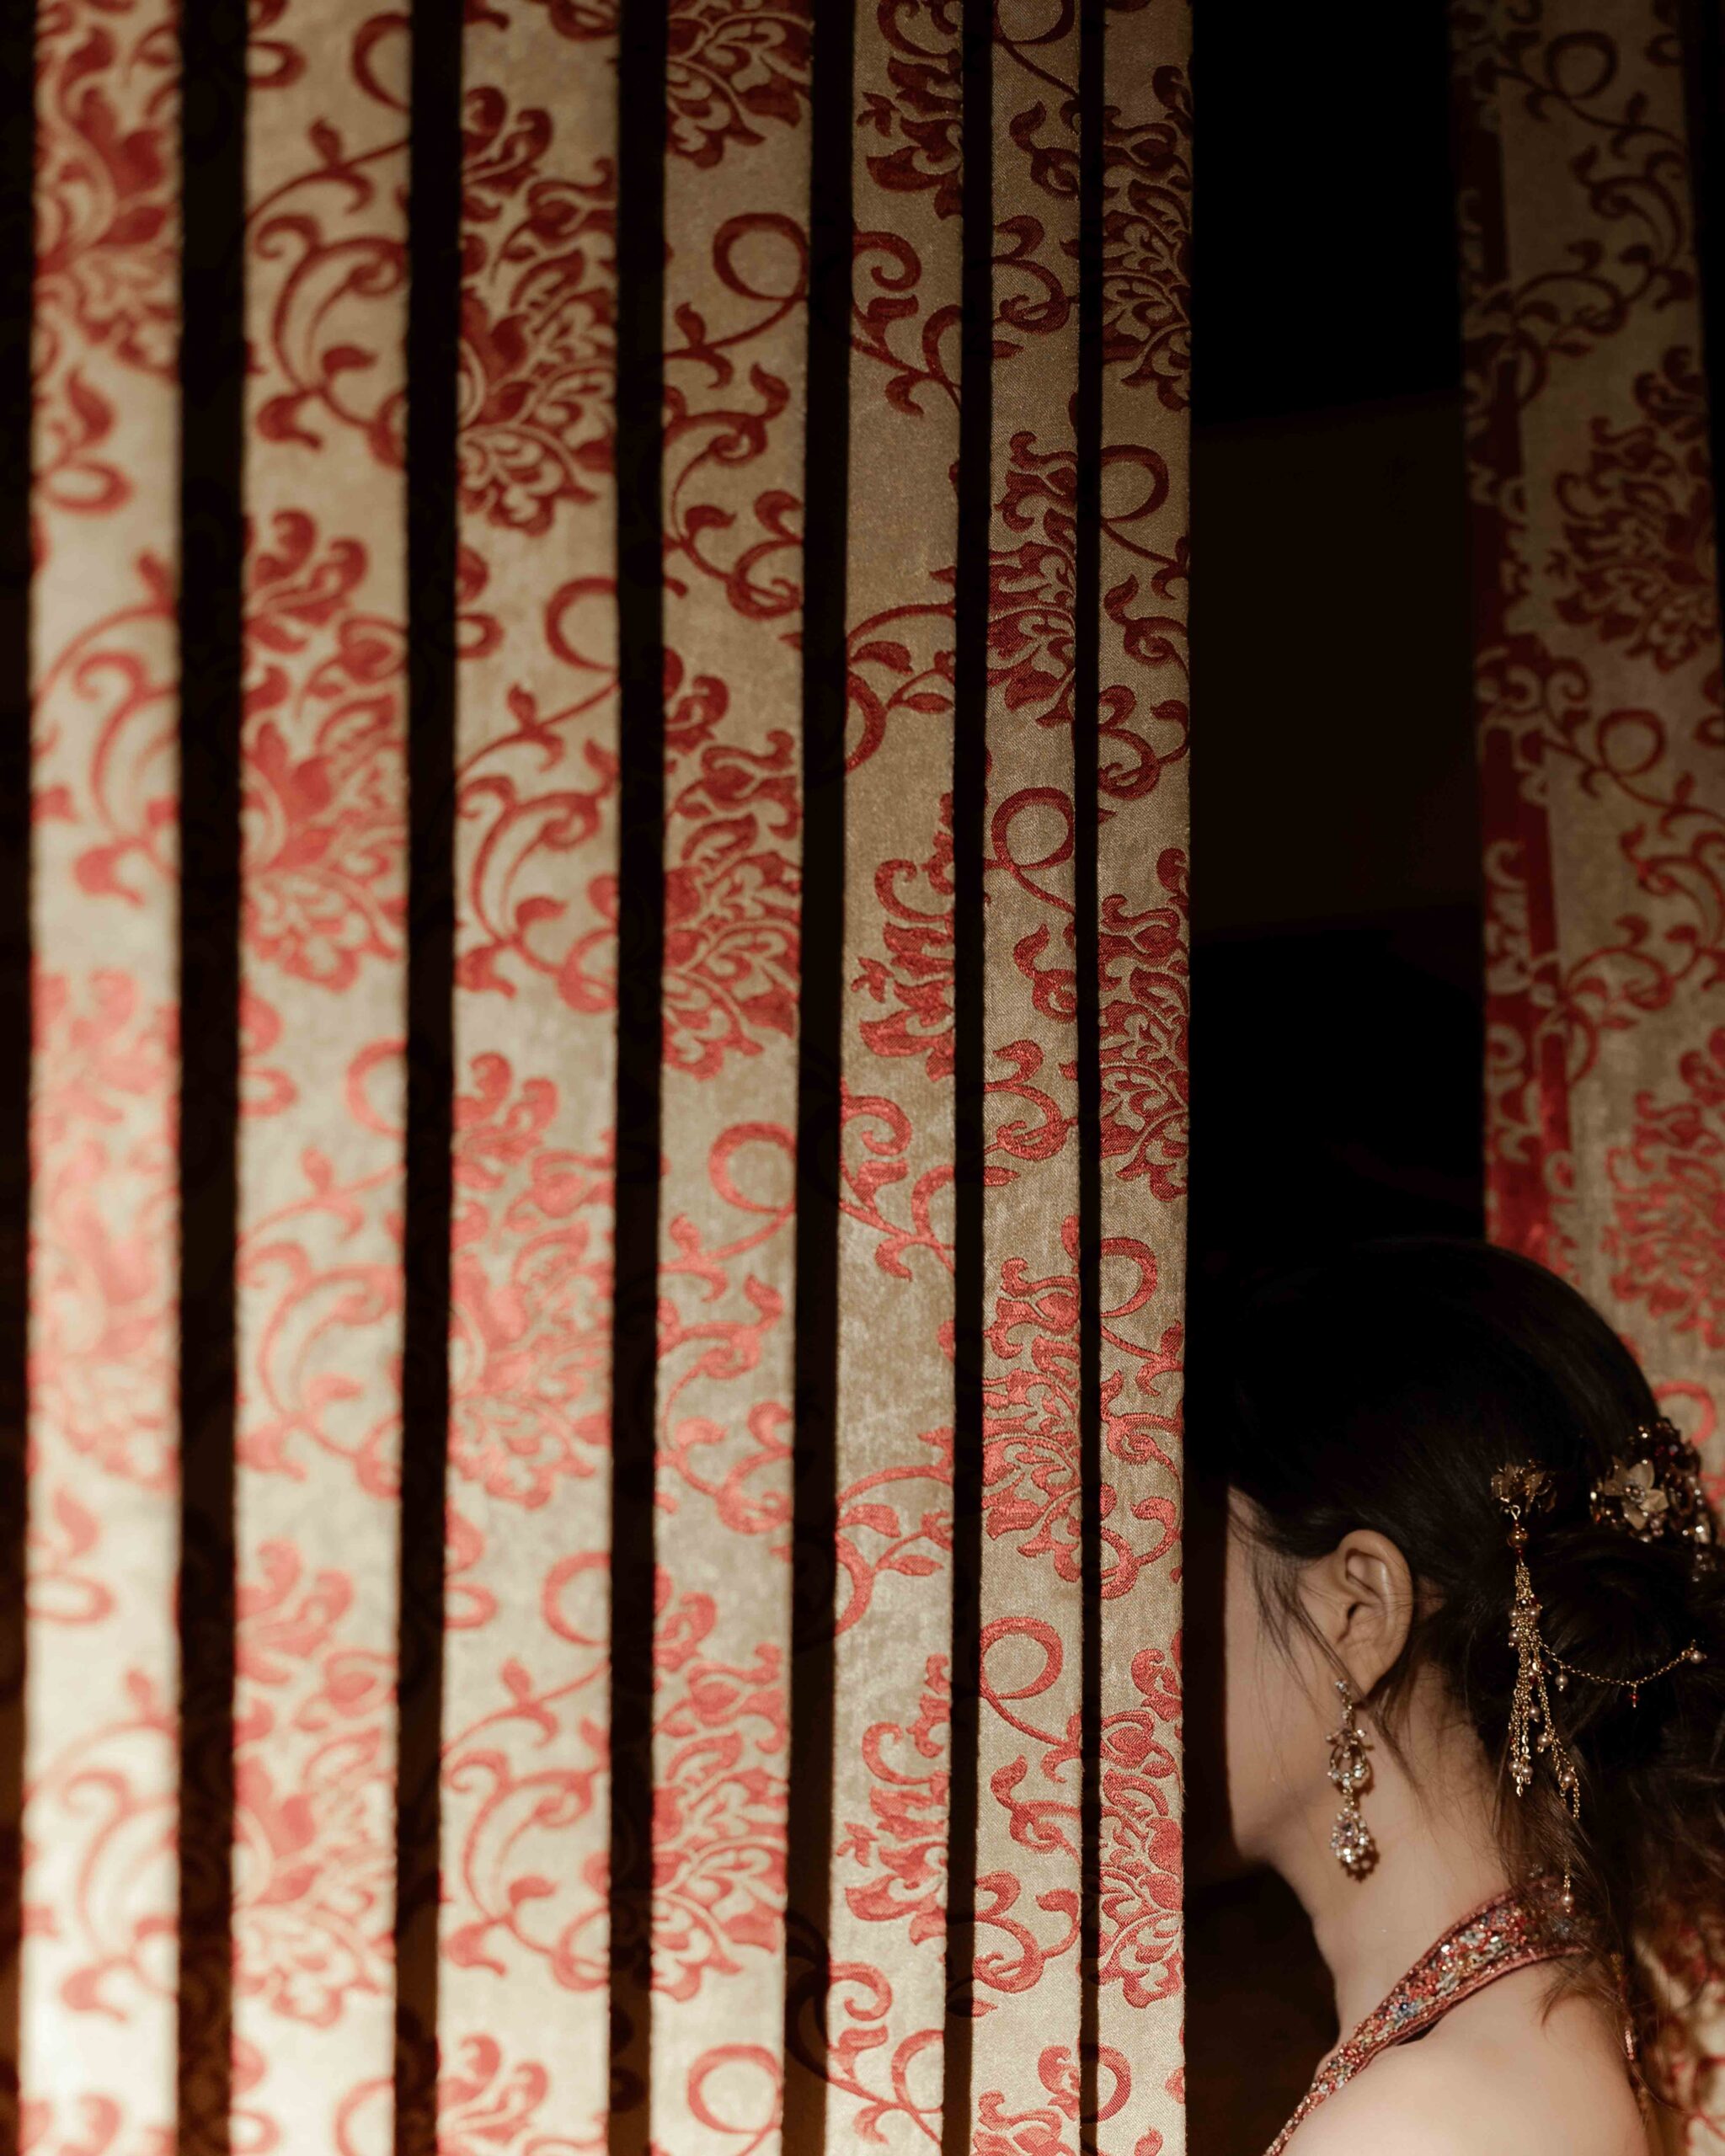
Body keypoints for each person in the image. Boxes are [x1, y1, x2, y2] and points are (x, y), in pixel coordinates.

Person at [1207, 1239, 1725, 2154]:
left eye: (1172, 1565)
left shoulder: (1426, 2121)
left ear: (1359, 1612)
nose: (1137, 1649)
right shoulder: (1505, 2056)